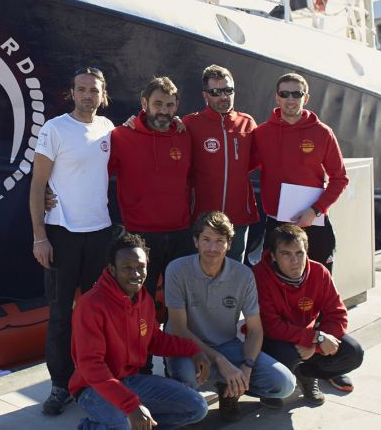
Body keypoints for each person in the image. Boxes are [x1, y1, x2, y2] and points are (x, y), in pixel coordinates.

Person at [30, 67, 119, 416]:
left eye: (93, 90)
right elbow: (38, 186)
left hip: (99, 233)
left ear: (103, 94)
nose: (87, 96)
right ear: (72, 92)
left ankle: (97, 377)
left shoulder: (108, 129)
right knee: (60, 316)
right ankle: (59, 385)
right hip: (62, 235)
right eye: (81, 89)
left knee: (97, 314)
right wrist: (40, 237)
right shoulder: (55, 129)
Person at [70, 233, 210, 429]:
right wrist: (131, 406)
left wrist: (192, 349)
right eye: (127, 268)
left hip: (131, 380)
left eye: (140, 267)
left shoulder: (144, 299)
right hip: (92, 387)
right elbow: (91, 365)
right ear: (112, 269)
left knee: (197, 408)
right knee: (124, 424)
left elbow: (153, 339)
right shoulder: (90, 305)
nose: (136, 274)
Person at [165, 212, 295, 420]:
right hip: (186, 346)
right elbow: (179, 328)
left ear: (229, 244)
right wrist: (220, 361)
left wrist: (247, 367)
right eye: (206, 240)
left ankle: (229, 390)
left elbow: (255, 330)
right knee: (188, 381)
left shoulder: (243, 275)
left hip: (227, 344)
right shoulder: (177, 270)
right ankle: (192, 400)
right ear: (195, 241)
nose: (212, 248)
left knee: (284, 384)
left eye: (219, 241)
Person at [253, 224, 364, 404]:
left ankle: (305, 374)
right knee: (286, 354)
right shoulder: (259, 275)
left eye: (299, 253)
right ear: (273, 255)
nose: (295, 261)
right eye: (286, 254)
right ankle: (270, 388)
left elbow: (338, 315)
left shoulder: (319, 272)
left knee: (353, 352)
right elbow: (271, 325)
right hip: (274, 340)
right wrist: (315, 337)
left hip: (309, 338)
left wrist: (317, 344)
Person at [108, 76, 194, 302]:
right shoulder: (121, 136)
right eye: (158, 104)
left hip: (181, 233)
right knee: (140, 301)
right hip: (140, 235)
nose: (164, 111)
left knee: (180, 299)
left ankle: (175, 337)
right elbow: (95, 176)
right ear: (144, 104)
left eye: (169, 105)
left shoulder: (184, 136)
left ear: (176, 106)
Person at [251, 72, 348, 274]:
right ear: (277, 97)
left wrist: (315, 210)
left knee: (319, 283)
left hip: (314, 221)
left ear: (306, 97)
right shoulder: (261, 134)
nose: (290, 99)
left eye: (296, 94)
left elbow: (339, 179)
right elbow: (239, 165)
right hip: (277, 223)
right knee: (274, 285)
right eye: (284, 94)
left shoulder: (322, 133)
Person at [181, 65, 259, 261]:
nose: (223, 97)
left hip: (238, 218)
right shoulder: (190, 123)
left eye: (228, 90)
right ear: (205, 95)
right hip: (202, 218)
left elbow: (260, 162)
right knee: (199, 273)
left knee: (234, 273)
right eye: (215, 92)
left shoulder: (247, 123)